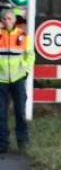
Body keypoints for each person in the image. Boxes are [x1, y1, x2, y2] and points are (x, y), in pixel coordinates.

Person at [0, 9, 34, 154]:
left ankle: (22, 141)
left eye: (9, 18)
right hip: (1, 80)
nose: (7, 21)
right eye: (4, 19)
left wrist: (25, 71)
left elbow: (30, 55)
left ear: (14, 20)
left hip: (18, 79)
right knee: (1, 113)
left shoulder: (23, 36)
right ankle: (2, 144)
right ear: (1, 21)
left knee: (20, 111)